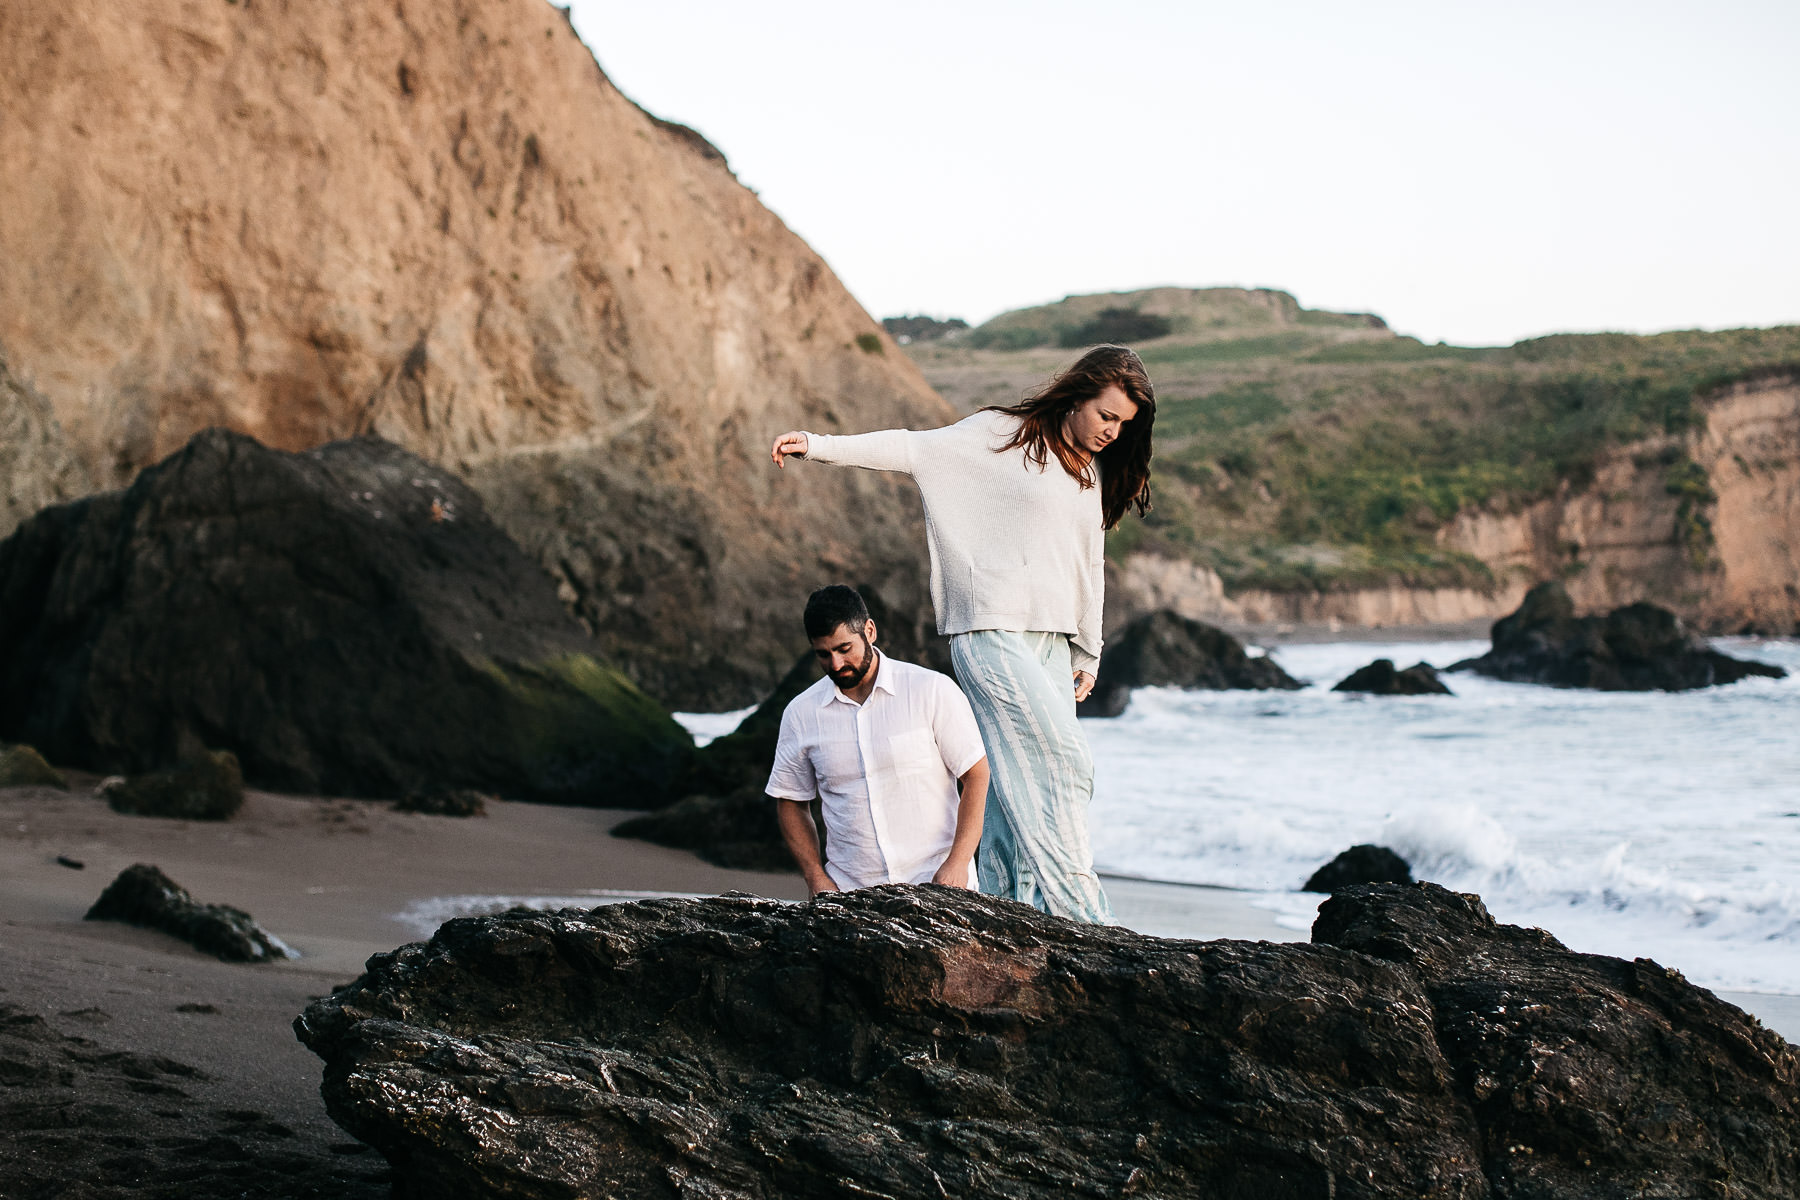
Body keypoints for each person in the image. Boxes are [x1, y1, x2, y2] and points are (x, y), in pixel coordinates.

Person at [770, 344, 1155, 923]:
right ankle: (1084, 915)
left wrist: (1088, 649)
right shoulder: (1000, 434)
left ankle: (1015, 912)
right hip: (989, 630)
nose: (1112, 432)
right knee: (1066, 762)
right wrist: (819, 447)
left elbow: (1088, 565)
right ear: (1077, 397)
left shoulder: (1087, 473)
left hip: (1050, 642)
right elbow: (912, 448)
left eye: (1123, 425)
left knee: (1011, 784)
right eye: (1106, 415)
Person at [766, 584, 990, 896]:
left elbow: (977, 775)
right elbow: (790, 800)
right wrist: (815, 878)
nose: (836, 664)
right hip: (851, 895)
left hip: (939, 884)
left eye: (845, 649)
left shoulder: (931, 690)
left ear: (869, 631)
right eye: (823, 654)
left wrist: (959, 861)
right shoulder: (801, 714)